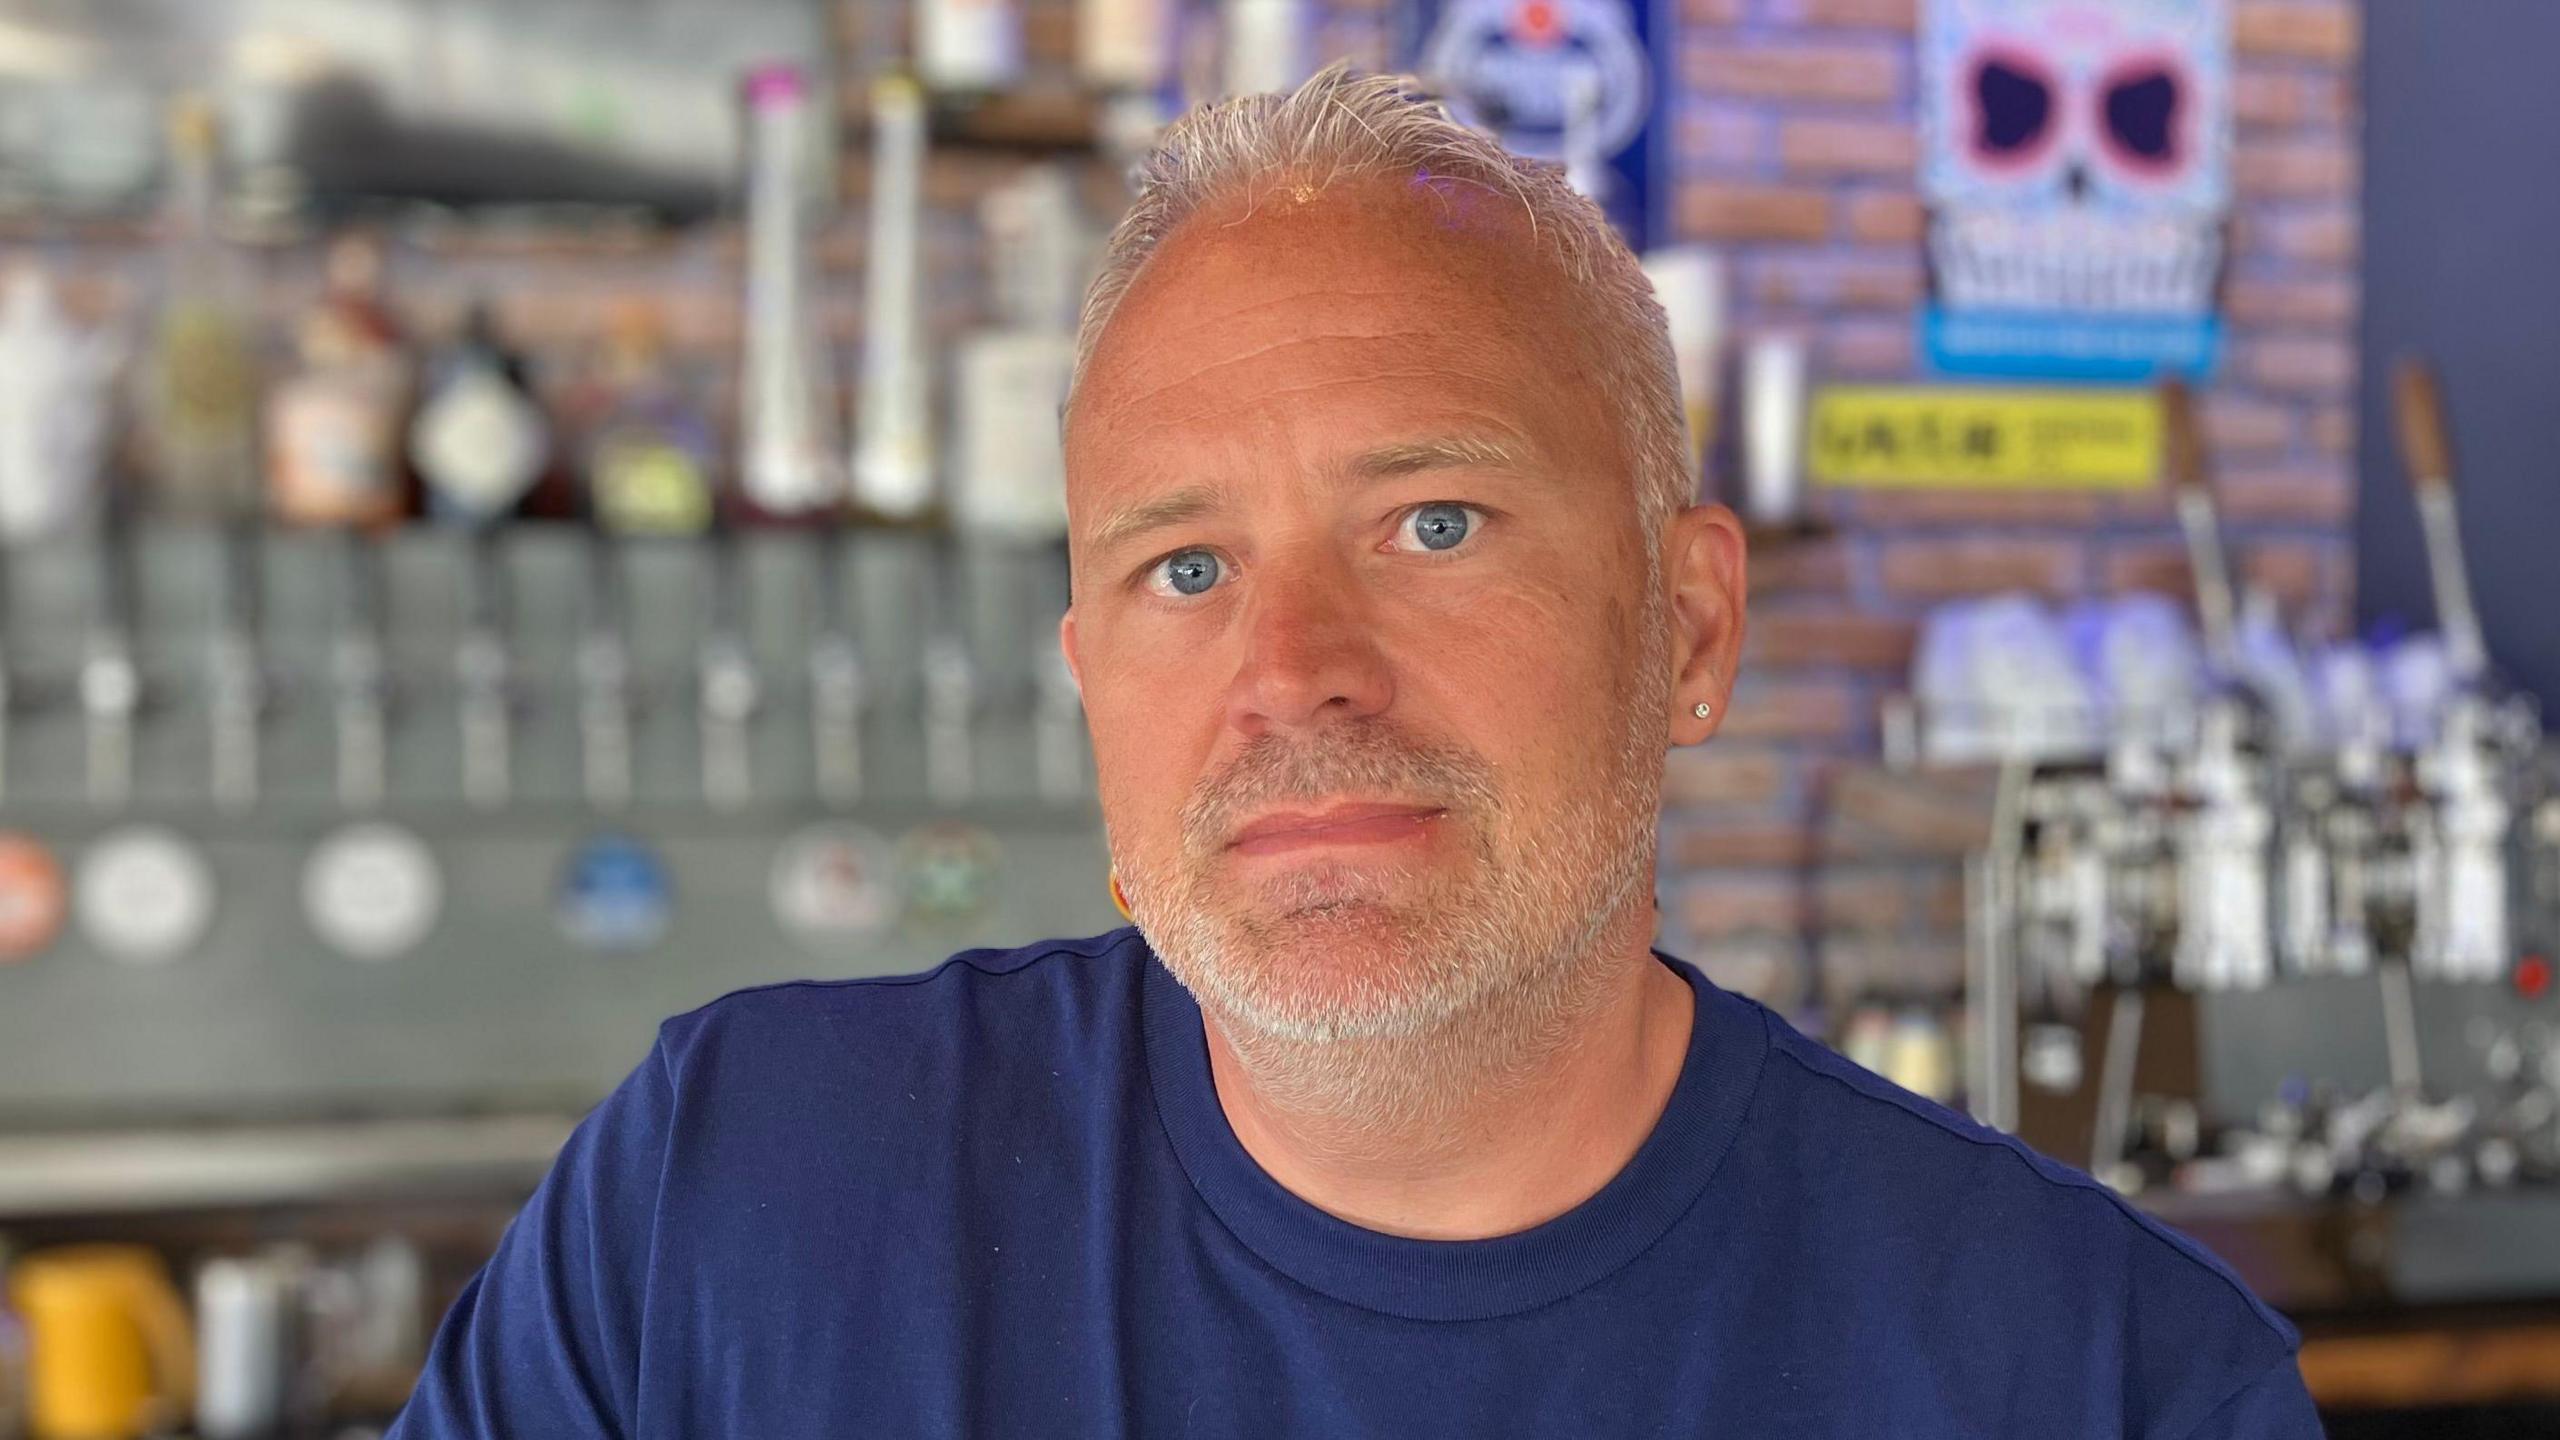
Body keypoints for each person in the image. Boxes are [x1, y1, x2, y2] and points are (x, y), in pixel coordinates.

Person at [388, 66, 2322, 1438]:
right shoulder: (725, 1211)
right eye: (1187, 564)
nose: (1294, 673)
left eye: (1435, 527)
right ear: (1086, 677)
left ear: (1693, 629)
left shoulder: (2104, 1380)